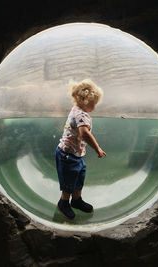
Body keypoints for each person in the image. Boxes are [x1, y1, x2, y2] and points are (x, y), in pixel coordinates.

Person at [55, 79, 106, 219]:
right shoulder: (81, 115)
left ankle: (76, 200)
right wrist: (97, 148)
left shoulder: (77, 109)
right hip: (67, 155)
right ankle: (63, 202)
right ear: (84, 101)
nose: (94, 107)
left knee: (79, 177)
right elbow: (84, 134)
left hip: (75, 155)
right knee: (69, 181)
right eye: (93, 104)